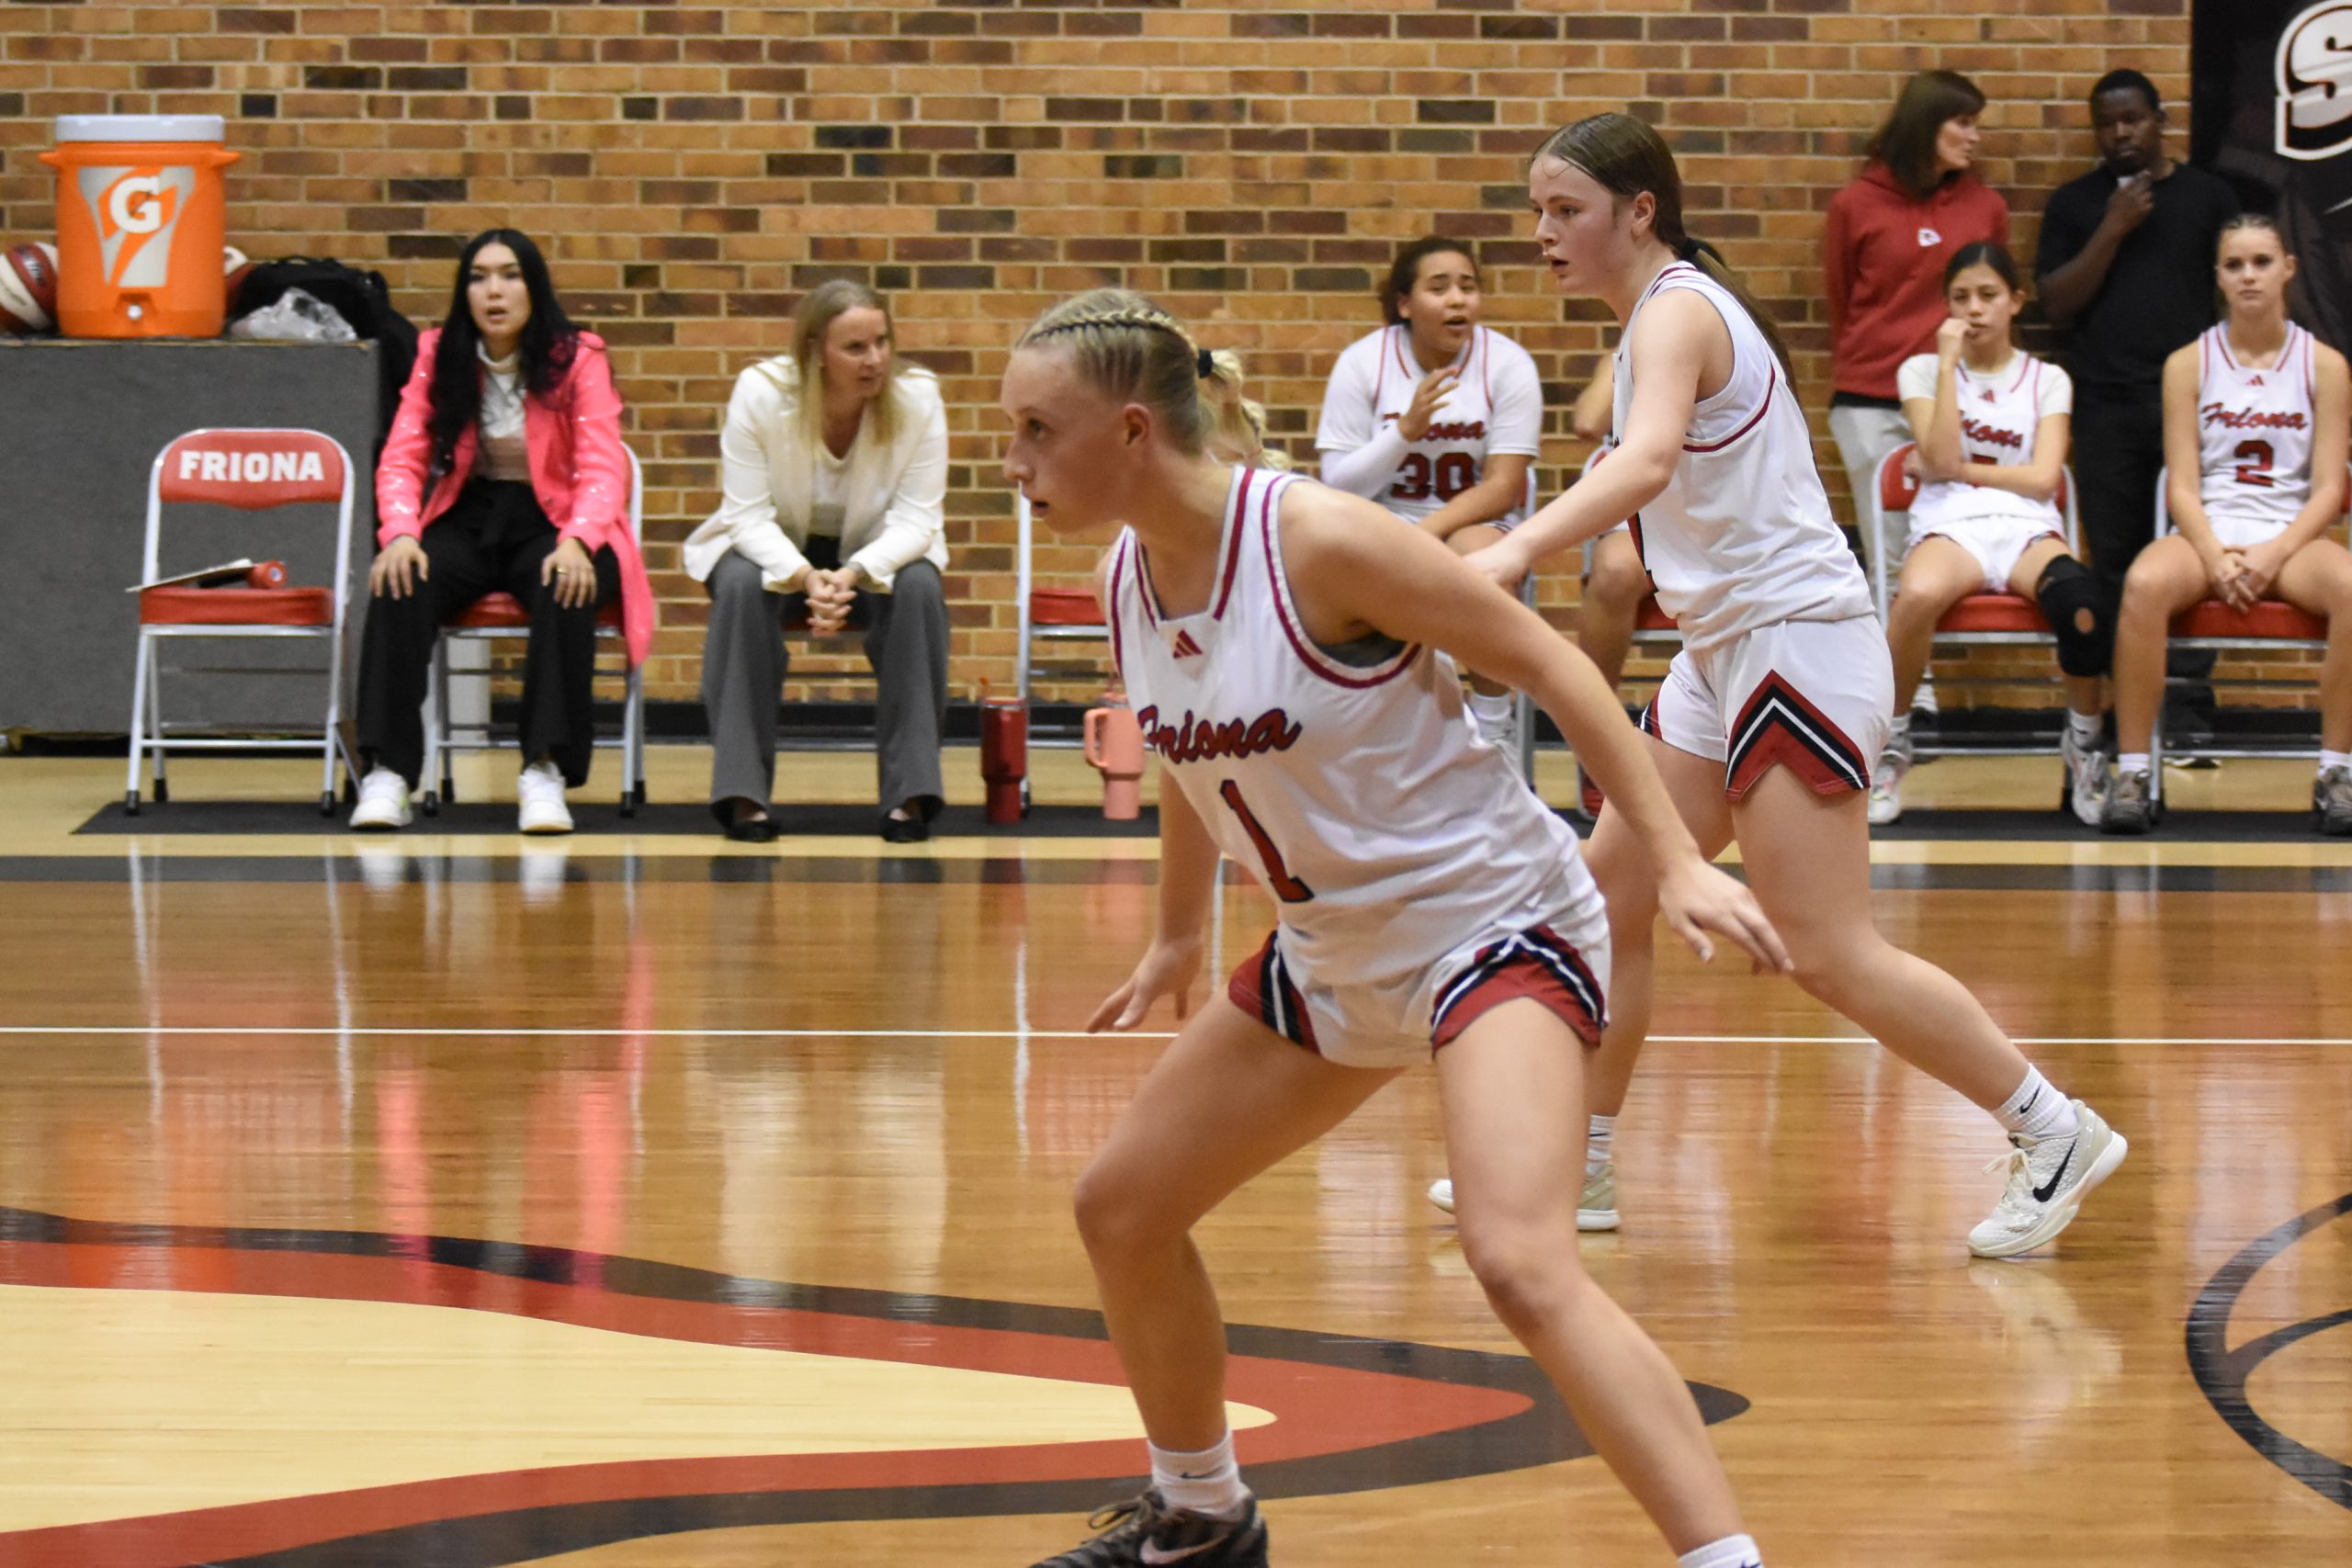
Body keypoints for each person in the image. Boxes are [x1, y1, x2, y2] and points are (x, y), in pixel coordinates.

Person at [1007, 288, 1786, 1568]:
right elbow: (1187, 754)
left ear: (1133, 430)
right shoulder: (1128, 577)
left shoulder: (1316, 539)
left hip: (1493, 926)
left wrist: (1677, 858)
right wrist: (1176, 936)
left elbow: (1554, 664)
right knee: (1123, 1208)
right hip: (1333, 955)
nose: (1014, 460)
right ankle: (1200, 1518)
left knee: (1519, 1259)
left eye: (1037, 430)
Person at [1463, 114, 2128, 1259]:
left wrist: (1517, 547)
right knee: (1604, 898)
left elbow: (1647, 463)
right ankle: (1581, 1161)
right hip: (1723, 650)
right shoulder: (1650, 320)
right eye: (1536, 211)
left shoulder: (1676, 309)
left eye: (1564, 209)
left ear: (1638, 211)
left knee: (1824, 949)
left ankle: (2052, 1127)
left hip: (1795, 645)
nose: (1541, 233)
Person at [351, 229, 653, 835]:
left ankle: (544, 769)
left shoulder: (579, 357)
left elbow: (602, 465)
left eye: (510, 275)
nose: (494, 291)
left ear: (534, 287)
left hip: (557, 518)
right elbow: (402, 457)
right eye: (479, 277)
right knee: (400, 579)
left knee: (567, 584)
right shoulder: (438, 353)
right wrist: (401, 532)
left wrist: (578, 540)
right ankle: (389, 772)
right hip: (470, 511)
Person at [2101, 214, 2352, 834]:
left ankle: (2337, 771)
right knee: (2142, 584)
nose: (2248, 276)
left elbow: (2329, 488)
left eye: (2261, 262)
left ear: (2289, 269)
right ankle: (2134, 771)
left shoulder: (2324, 365)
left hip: (2289, 534)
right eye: (2234, 264)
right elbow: (2181, 486)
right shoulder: (2188, 363)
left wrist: (2274, 553)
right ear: (2218, 276)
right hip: (2208, 528)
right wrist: (2214, 554)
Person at [683, 280, 950, 842]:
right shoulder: (760, 392)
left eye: (882, 341)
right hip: (774, 543)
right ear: (815, 352)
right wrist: (806, 577)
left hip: (874, 550)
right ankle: (743, 795)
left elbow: (917, 521)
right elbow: (746, 517)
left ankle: (910, 796)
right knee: (738, 584)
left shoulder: (919, 397)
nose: (874, 359)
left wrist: (850, 575)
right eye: (855, 347)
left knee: (921, 586)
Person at [1869, 243, 2109, 827]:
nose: (1973, 309)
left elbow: (2044, 478)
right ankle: (1892, 742)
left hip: (2027, 527)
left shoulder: (2047, 379)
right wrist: (1948, 365)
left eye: (1987, 295)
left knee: (2081, 608)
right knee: (1915, 597)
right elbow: (1940, 457)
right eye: (1960, 298)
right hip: (1951, 525)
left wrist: (1958, 469)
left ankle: (2084, 744)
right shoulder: (1922, 371)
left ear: (2015, 301)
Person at [2035, 70, 2239, 730]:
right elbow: (2056, 304)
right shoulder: (2075, 204)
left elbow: (2234, 297)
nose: (2120, 133)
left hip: (2194, 408)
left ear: (2160, 120)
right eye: (2106, 123)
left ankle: (2187, 710)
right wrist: (2113, 227)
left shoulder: (2209, 197)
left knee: (2194, 553)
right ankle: (2129, 716)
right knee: (2118, 563)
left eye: (2133, 119)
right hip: (2106, 406)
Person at [1316, 237, 1544, 760]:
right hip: (1384, 519)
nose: (1457, 299)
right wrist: (1405, 432)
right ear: (1404, 304)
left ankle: (1493, 732)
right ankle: (1383, 735)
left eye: (1468, 286)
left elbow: (1503, 487)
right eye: (1439, 288)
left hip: (1471, 521)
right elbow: (1338, 487)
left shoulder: (1508, 364)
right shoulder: (1363, 363)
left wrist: (1427, 534)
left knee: (1484, 565)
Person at [1825, 69, 2009, 618]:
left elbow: (1994, 295)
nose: (1974, 137)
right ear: (1927, 125)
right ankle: (1897, 675)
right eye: (1964, 123)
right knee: (1890, 555)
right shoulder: (1856, 204)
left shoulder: (1985, 207)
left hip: (1957, 400)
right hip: (1872, 399)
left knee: (1956, 542)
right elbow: (1841, 299)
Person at [1568, 357, 1653, 820]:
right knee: (1616, 570)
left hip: (1717, 505)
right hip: (1644, 502)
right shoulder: (1631, 349)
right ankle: (1600, 748)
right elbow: (1588, 422)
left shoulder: (1735, 344)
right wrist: (1624, 355)